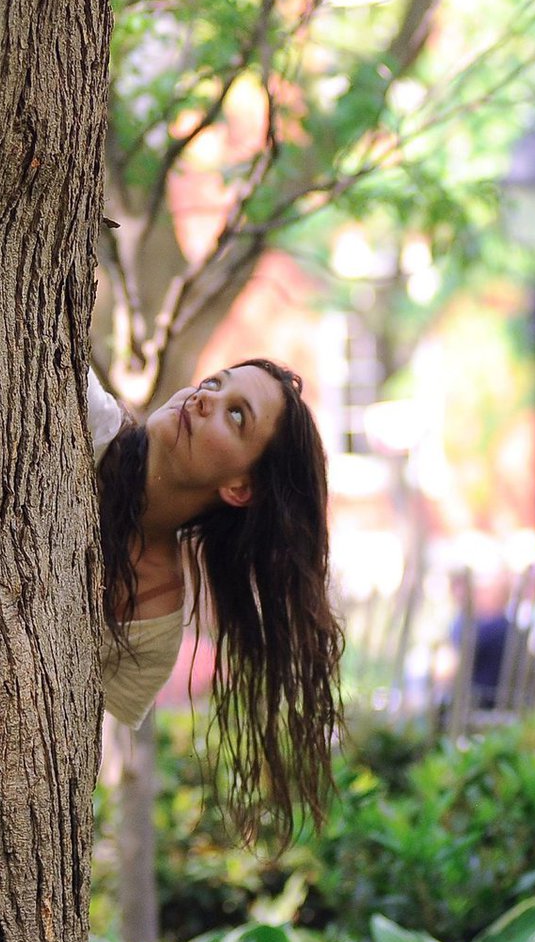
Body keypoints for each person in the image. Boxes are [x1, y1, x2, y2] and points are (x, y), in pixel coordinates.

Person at [87, 360, 344, 843]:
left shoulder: (153, 627)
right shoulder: (81, 416)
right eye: (212, 383)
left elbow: (64, 768)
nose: (204, 398)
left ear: (240, 488)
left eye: (236, 415)